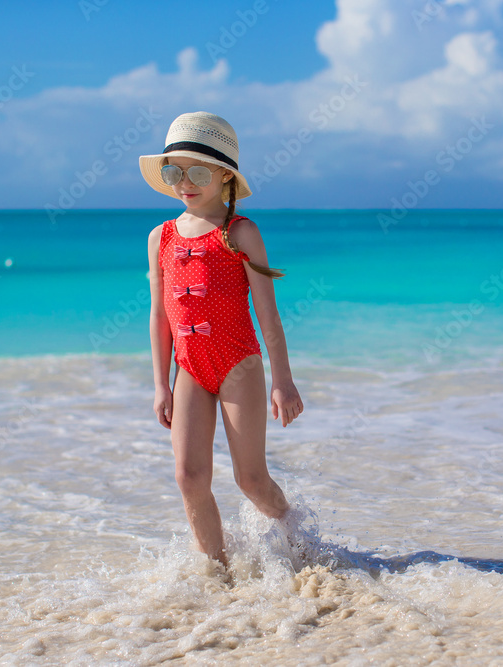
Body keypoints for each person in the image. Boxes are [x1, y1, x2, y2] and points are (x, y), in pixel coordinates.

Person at [139, 111, 304, 571]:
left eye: (196, 171)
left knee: (250, 479)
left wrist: (283, 380)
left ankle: (297, 540)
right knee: (188, 476)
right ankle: (217, 574)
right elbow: (159, 316)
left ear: (224, 176)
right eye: (173, 171)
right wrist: (160, 383)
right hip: (189, 368)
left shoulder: (240, 233)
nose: (183, 182)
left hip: (239, 365)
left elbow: (267, 313)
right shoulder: (161, 237)